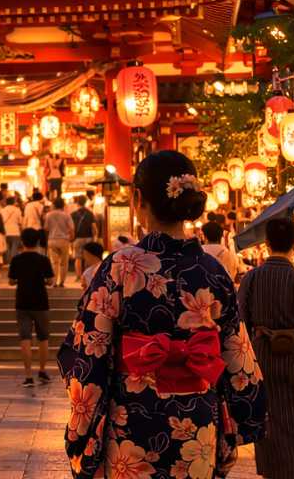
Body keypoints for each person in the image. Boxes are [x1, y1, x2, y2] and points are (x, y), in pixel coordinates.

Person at [59, 151, 265, 478]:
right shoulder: (213, 271)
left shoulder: (120, 267)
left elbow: (90, 349)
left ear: (138, 199)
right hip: (198, 424)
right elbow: (237, 354)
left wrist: (82, 427)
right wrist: (244, 414)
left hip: (132, 421)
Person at [238, 217, 294, 479]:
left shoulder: (252, 278)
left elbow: (240, 322)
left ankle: (272, 470)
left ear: (267, 243)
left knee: (268, 415)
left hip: (262, 357)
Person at [10, 228, 54, 387]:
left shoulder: (16, 260)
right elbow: (50, 281)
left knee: (25, 338)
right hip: (41, 302)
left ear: (22, 241)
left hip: (22, 302)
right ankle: (42, 371)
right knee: (43, 338)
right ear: (37, 242)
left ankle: (28, 376)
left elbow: (11, 281)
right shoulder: (43, 259)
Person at [44, 196, 75, 286]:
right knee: (64, 263)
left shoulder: (49, 215)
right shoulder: (66, 215)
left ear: (54, 205)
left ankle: (54, 282)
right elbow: (71, 229)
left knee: (54, 262)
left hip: (52, 240)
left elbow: (46, 228)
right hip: (64, 240)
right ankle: (61, 282)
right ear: (63, 205)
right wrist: (71, 238)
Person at [70, 194, 98, 277]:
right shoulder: (90, 213)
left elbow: (71, 228)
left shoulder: (73, 214)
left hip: (77, 238)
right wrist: (95, 237)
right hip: (88, 238)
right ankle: (87, 275)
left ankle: (79, 276)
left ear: (77, 203)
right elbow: (94, 227)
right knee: (88, 257)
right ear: (85, 202)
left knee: (78, 258)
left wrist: (71, 239)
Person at [1, 195, 24, 262]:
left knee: (7, 247)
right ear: (13, 202)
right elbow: (20, 221)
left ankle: (8, 262)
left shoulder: (2, 210)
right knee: (14, 247)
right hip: (15, 231)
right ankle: (13, 261)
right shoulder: (17, 210)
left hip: (5, 231)